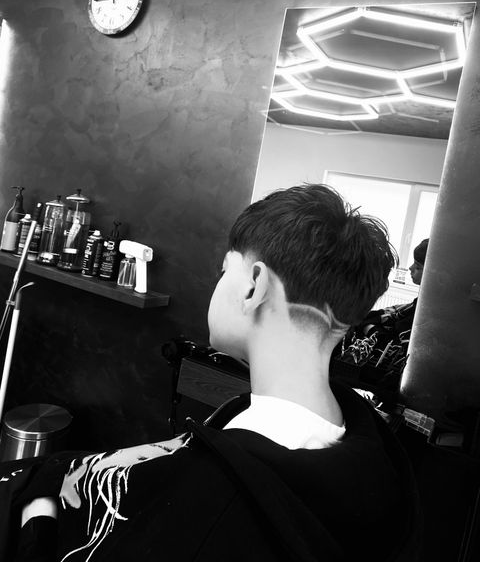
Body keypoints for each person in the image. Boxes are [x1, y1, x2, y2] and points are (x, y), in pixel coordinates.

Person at [0, 184, 421, 561]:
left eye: (224, 271)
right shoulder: (370, 456)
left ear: (254, 285)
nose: (218, 284)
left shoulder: (209, 505)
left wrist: (37, 509)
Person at [336, 239, 429, 385]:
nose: (410, 268)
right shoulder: (412, 307)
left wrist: (370, 327)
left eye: (418, 266)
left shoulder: (419, 314)